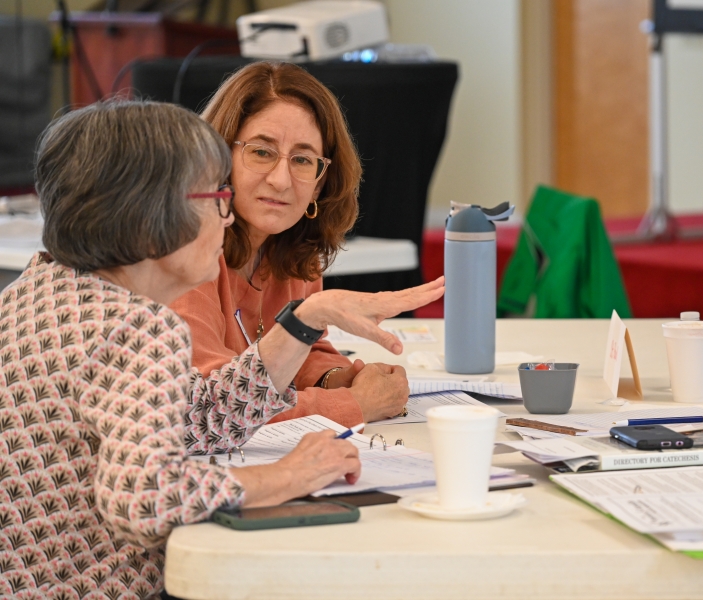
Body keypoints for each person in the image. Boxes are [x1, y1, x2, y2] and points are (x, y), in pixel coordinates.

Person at [0, 100, 443, 598]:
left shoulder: (35, 291)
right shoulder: (140, 326)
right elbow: (146, 498)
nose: (229, 218)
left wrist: (303, 321)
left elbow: (199, 416)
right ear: (151, 215)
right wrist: (285, 476)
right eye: (217, 199)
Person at [170, 61, 409, 427]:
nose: (281, 181)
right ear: (218, 156)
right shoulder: (187, 248)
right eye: (261, 152)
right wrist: (355, 405)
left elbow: (304, 350)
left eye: (302, 160)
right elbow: (215, 407)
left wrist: (337, 378)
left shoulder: (292, 246)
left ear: (319, 182)